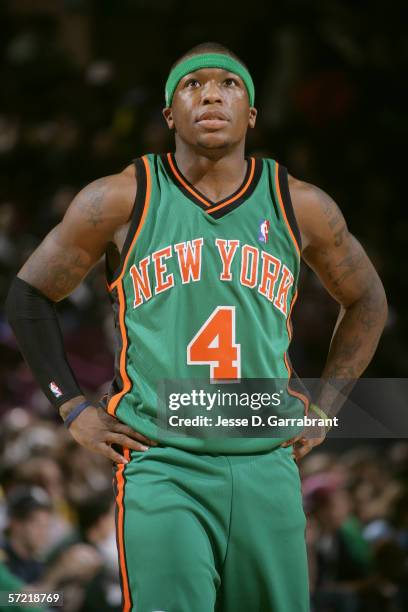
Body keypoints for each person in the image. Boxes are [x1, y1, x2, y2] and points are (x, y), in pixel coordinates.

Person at [6, 41, 387, 612]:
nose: (210, 93)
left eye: (228, 84)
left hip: (266, 461)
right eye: (193, 84)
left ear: (251, 114)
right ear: (169, 115)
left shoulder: (300, 205)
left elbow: (368, 301)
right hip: (163, 462)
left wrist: (331, 405)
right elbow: (29, 294)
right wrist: (72, 408)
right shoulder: (119, 199)